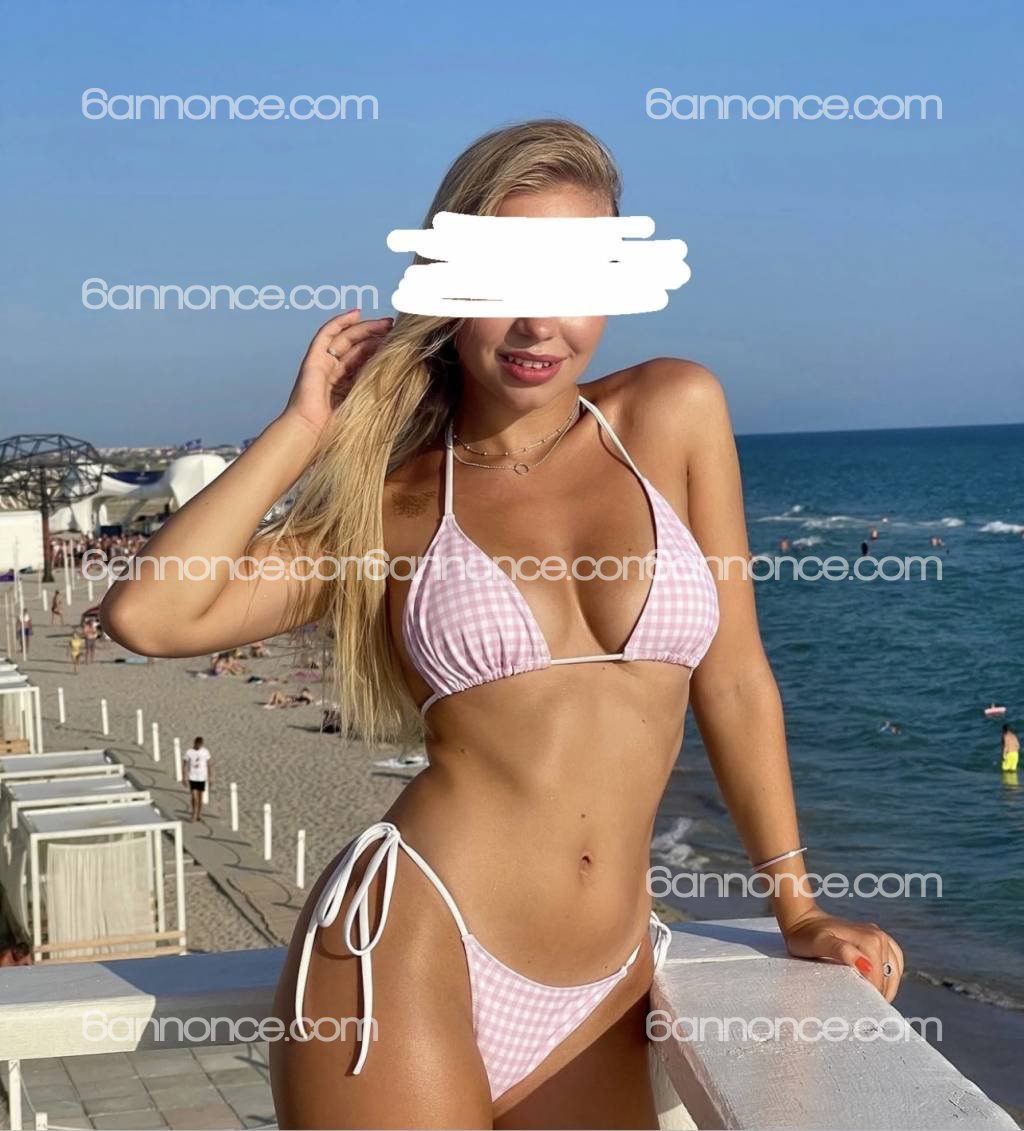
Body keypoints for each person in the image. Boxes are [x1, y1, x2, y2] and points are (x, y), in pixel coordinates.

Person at [100, 119, 903, 1129]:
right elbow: (150, 613)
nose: (536, 323)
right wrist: (305, 429)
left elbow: (734, 677)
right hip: (405, 944)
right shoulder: (392, 503)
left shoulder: (674, 412)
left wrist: (797, 906)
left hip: (602, 981)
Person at [182, 737, 212, 822]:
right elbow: (184, 764)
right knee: (194, 797)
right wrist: (183, 777)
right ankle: (194, 813)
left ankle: (199, 813)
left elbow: (209, 764)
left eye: (201, 744)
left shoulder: (205, 752)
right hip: (192, 777)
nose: (199, 745)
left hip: (202, 777)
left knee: (200, 797)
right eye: (198, 744)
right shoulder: (189, 752)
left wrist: (210, 777)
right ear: (195, 743)